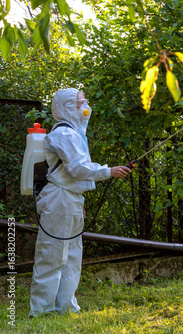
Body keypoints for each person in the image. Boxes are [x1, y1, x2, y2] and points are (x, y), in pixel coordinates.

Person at [29, 88, 131, 317]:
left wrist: (80, 200)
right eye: (79, 102)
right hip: (59, 200)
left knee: (72, 257)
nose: (84, 105)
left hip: (70, 199)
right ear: (66, 107)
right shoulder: (63, 134)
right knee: (52, 255)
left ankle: (65, 306)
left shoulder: (75, 133)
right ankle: (42, 311)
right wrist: (108, 171)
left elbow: (74, 175)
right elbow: (77, 168)